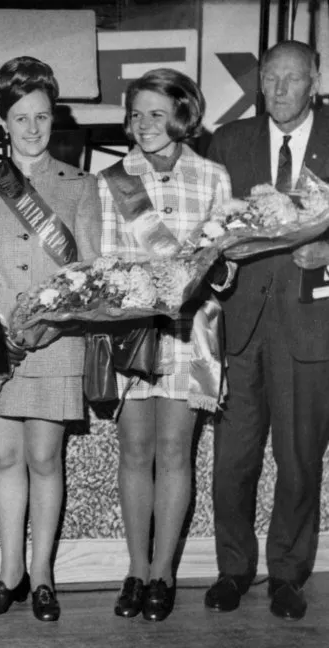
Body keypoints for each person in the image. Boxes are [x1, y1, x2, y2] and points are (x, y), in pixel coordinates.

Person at [99, 68, 231, 623]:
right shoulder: (111, 178)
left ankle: (163, 573)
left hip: (189, 331)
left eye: (156, 113)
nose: (143, 124)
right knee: (135, 452)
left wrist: (204, 275)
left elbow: (226, 265)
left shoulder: (214, 177)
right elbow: (105, 261)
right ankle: (134, 568)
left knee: (176, 452)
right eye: (136, 114)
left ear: (182, 113)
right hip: (133, 330)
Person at [204, 40, 329, 621]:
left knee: (300, 458)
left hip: (309, 325)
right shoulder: (229, 143)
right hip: (240, 323)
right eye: (270, 79)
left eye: (291, 79)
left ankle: (288, 572)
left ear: (314, 81)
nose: (278, 91)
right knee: (232, 458)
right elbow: (206, 231)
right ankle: (233, 569)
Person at [0, 57, 100, 623]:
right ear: (3, 121)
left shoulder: (81, 185)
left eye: (42, 117)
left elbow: (92, 273)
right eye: (21, 118)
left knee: (45, 458)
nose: (32, 128)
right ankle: (10, 573)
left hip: (56, 340)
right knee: (5, 456)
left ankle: (45, 574)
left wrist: (54, 321)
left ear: (55, 119)